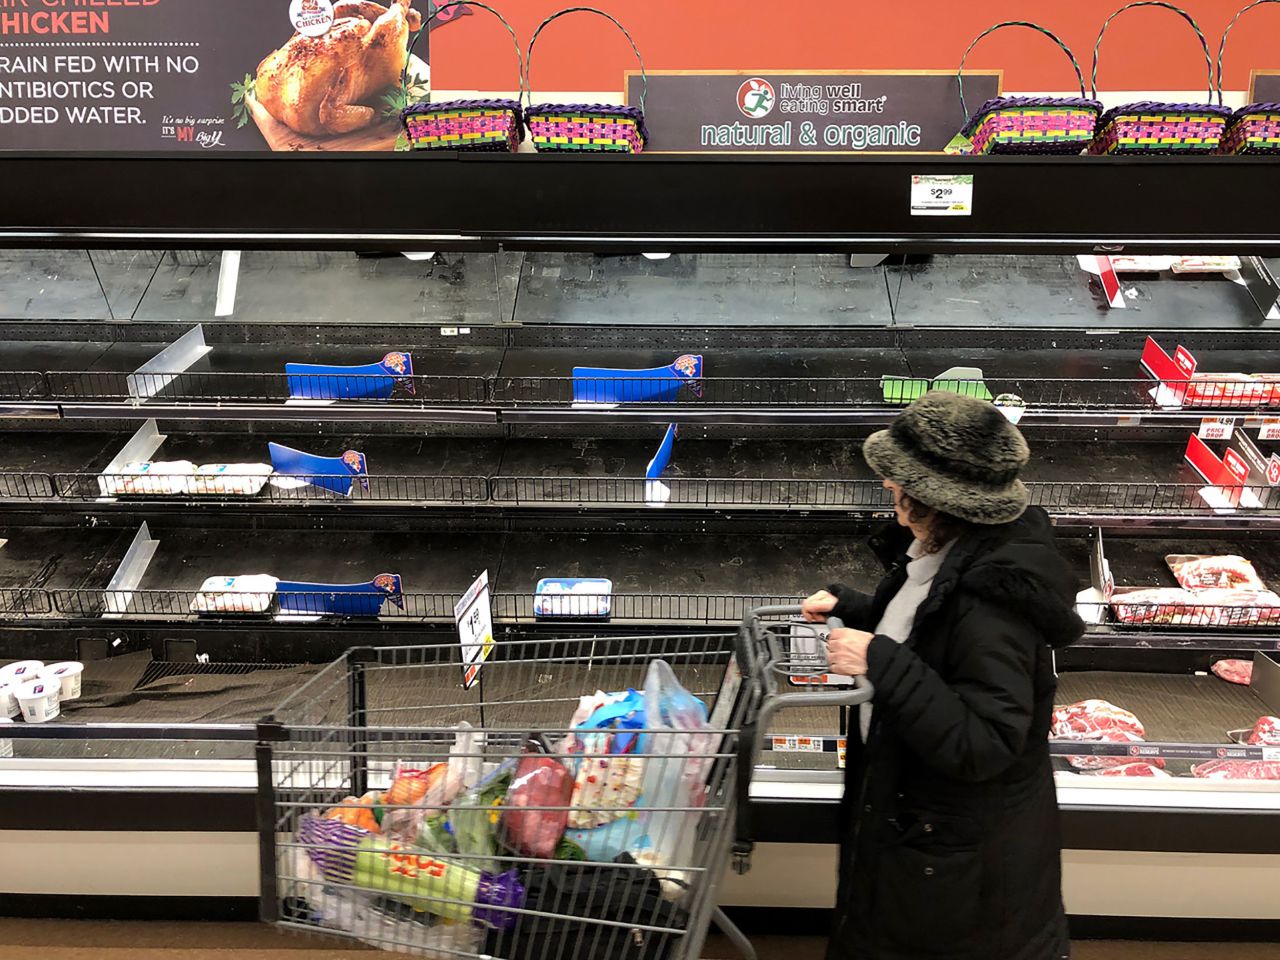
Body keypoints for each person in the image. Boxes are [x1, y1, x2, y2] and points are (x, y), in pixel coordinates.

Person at [803, 390, 1083, 960]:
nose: (886, 486)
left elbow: (986, 742)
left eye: (896, 478)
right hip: (925, 843)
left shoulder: (994, 602)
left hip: (959, 873)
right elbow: (935, 632)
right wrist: (854, 609)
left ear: (932, 499)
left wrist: (879, 659)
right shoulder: (951, 554)